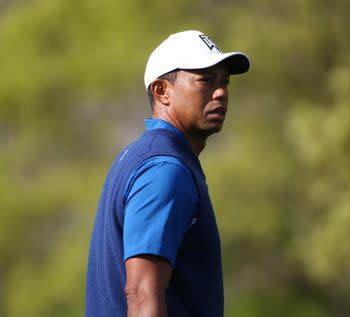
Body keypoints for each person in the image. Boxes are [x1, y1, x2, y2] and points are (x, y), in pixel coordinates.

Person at [85, 30, 250, 317]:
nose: (221, 91)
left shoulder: (144, 155)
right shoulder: (164, 169)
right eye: (205, 80)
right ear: (162, 91)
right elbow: (141, 293)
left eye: (224, 81)